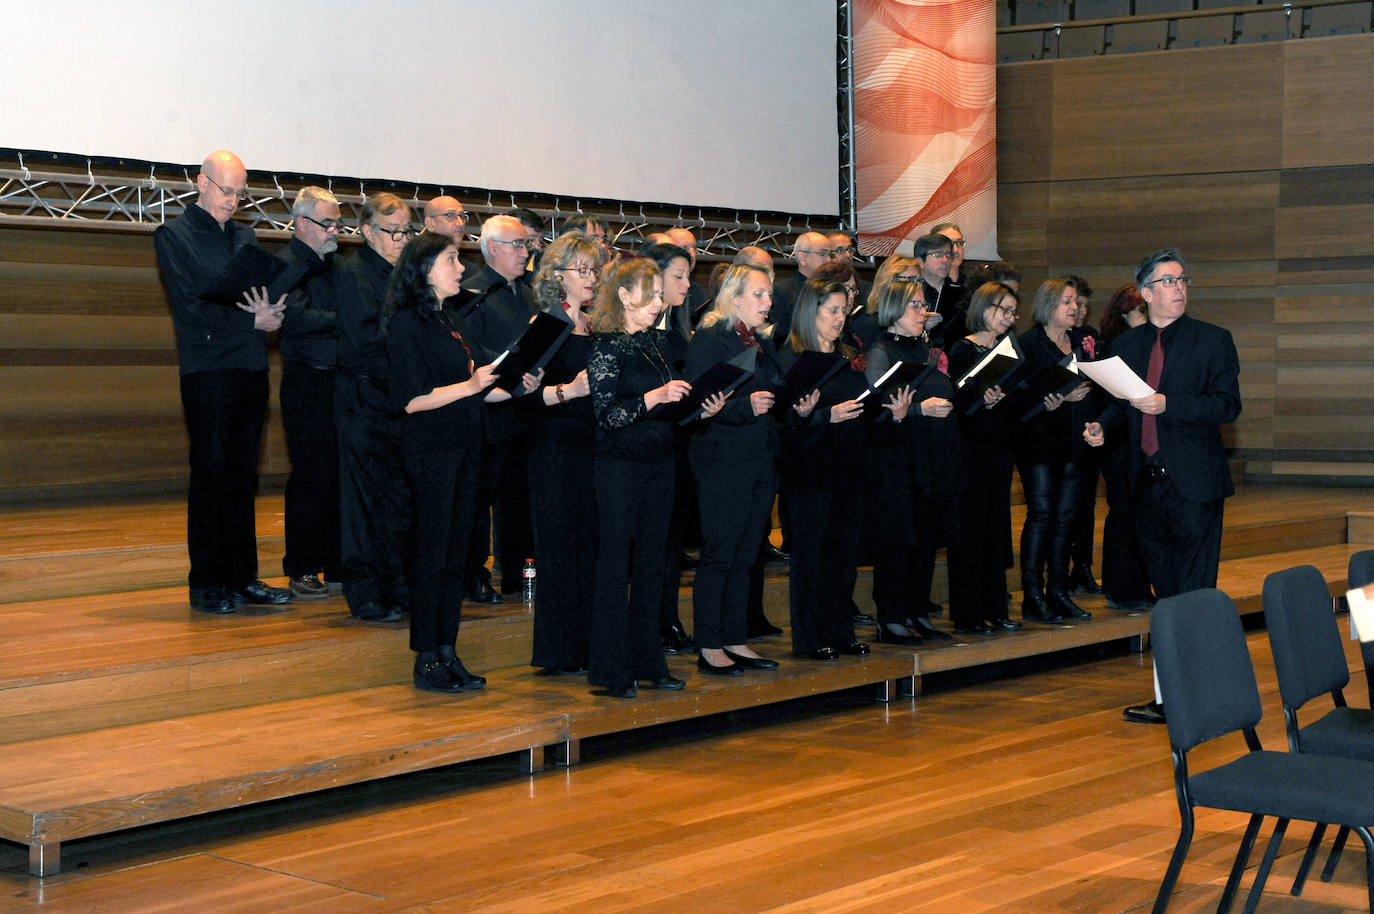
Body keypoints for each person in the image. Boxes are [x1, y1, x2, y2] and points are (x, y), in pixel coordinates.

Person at [1085, 249, 1241, 724]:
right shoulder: (1128, 348)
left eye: (1182, 280)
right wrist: (1102, 429)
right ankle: (1168, 696)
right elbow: (1121, 404)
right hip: (1144, 487)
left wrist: (1168, 404)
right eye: (1168, 281)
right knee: (1165, 595)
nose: (1178, 288)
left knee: (1196, 592)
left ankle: (1203, 694)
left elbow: (1225, 405)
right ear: (1146, 292)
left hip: (1194, 484)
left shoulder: (1213, 341)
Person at [383, 232, 538, 693]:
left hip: (465, 449)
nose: (459, 268)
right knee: (432, 556)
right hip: (431, 453)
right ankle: (426, 658)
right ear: (425, 269)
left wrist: (516, 386)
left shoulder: (449, 319)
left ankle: (448, 651)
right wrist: (471, 388)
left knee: (454, 557)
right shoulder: (406, 323)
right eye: (451, 260)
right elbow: (410, 400)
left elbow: (477, 384)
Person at [153, 149, 294, 614]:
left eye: (239, 192)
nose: (232, 201)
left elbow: (250, 298)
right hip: (208, 371)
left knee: (242, 478)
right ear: (201, 182)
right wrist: (251, 323)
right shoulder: (173, 236)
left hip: (250, 368)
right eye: (225, 190)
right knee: (212, 474)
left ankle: (242, 577)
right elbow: (191, 312)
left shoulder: (244, 235)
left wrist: (269, 314)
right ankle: (207, 582)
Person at [586, 258, 725, 698]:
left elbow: (671, 410)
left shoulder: (660, 343)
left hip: (660, 464)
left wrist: (699, 411)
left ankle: (650, 662)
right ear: (624, 296)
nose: (658, 302)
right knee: (613, 566)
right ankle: (611, 670)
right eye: (649, 293)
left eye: (658, 293)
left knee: (653, 565)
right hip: (619, 468)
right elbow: (608, 415)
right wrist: (655, 396)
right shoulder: (606, 346)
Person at [778, 279, 911, 661]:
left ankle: (841, 631)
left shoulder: (850, 355)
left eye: (842, 310)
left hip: (851, 471)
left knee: (843, 559)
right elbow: (784, 425)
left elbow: (868, 419)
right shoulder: (791, 357)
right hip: (810, 475)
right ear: (811, 311)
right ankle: (810, 638)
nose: (839, 318)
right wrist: (821, 416)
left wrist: (896, 417)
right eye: (831, 310)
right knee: (811, 560)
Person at [686, 263, 784, 676]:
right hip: (722, 461)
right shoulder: (710, 340)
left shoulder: (759, 342)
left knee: (746, 554)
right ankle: (709, 644)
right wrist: (745, 408)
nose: (768, 302)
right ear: (735, 297)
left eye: (769, 294)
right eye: (759, 294)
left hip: (759, 458)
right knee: (721, 553)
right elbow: (696, 406)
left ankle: (734, 637)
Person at [863, 280, 972, 639]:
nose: (922, 311)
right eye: (914, 305)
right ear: (894, 308)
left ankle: (916, 611)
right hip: (897, 459)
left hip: (929, 457)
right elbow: (876, 413)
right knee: (899, 540)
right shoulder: (882, 351)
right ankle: (892, 617)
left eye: (923, 305)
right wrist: (919, 411)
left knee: (924, 539)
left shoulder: (922, 348)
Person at [333, 192, 414, 623]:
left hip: (399, 403)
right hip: (364, 401)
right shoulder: (352, 273)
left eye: (406, 231)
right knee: (363, 500)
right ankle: (363, 591)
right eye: (392, 231)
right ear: (366, 232)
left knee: (398, 498)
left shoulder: (407, 276)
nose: (401, 239)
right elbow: (367, 340)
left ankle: (395, 583)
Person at [525, 233, 600, 674]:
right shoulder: (547, 325)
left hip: (593, 448)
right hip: (554, 448)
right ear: (558, 277)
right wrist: (568, 391)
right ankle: (559, 652)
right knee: (559, 549)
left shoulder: (595, 324)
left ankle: (590, 644)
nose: (591, 278)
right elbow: (520, 396)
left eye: (594, 270)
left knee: (591, 547)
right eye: (582, 270)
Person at [461, 215, 540, 604]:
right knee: (481, 495)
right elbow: (471, 348)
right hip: (488, 407)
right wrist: (515, 369)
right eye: (517, 245)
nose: (525, 252)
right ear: (492, 247)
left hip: (525, 406)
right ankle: (474, 573)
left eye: (527, 245)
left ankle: (517, 571)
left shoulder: (529, 292)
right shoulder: (472, 291)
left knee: (521, 494)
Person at [276, 187, 344, 601]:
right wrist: (349, 319)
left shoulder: (337, 267)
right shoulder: (285, 265)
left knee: (340, 476)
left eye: (339, 223)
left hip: (339, 380)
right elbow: (296, 318)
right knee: (310, 477)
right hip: (307, 383)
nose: (336, 231)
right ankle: (301, 567)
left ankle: (338, 563)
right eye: (328, 223)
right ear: (302, 223)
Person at [1014, 279, 1095, 624]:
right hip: (1039, 440)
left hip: (1075, 440)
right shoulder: (1028, 344)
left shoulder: (1082, 342)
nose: (1074, 308)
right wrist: (1056, 398)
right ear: (1048, 306)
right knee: (1042, 515)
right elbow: (1016, 396)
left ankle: (1059, 591)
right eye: (1066, 302)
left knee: (1067, 519)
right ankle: (1033, 594)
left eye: (1076, 302)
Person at [947, 283, 1022, 632]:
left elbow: (1020, 394)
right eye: (1003, 309)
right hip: (971, 448)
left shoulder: (1010, 348)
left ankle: (996, 607)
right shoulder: (962, 349)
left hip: (999, 446)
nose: (1009, 317)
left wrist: (1005, 397)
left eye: (1012, 311)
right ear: (983, 307)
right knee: (971, 530)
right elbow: (956, 401)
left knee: (996, 528)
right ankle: (969, 613)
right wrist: (983, 398)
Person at [641, 242, 699, 654]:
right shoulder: (637, 332)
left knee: (671, 541)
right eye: (677, 276)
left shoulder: (681, 329)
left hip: (679, 446)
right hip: (643, 448)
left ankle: (668, 618)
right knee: (650, 543)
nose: (686, 284)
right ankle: (650, 623)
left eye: (687, 276)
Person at [1095, 284, 1154, 613]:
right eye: (1138, 312)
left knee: (1141, 515)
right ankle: (1121, 587)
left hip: (1141, 442)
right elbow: (1114, 400)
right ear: (1123, 314)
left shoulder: (1149, 345)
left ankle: (1139, 585)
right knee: (1122, 514)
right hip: (1119, 443)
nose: (1143, 318)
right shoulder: (1117, 347)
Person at [1064, 274, 1104, 596]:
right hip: (1062, 427)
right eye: (1075, 302)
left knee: (1087, 504)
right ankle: (1061, 568)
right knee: (1065, 506)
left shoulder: (1090, 336)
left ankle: (1084, 567)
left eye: (1085, 304)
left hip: (1089, 424)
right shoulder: (1051, 337)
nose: (1080, 309)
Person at [771, 231, 833, 343]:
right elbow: (779, 335)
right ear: (803, 257)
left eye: (830, 254)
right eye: (823, 254)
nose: (829, 260)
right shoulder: (782, 291)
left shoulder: (832, 289)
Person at [912, 232, 959, 346]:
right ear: (921, 262)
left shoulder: (959, 292)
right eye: (937, 255)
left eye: (948, 255)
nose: (944, 260)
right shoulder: (910, 292)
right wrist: (921, 325)